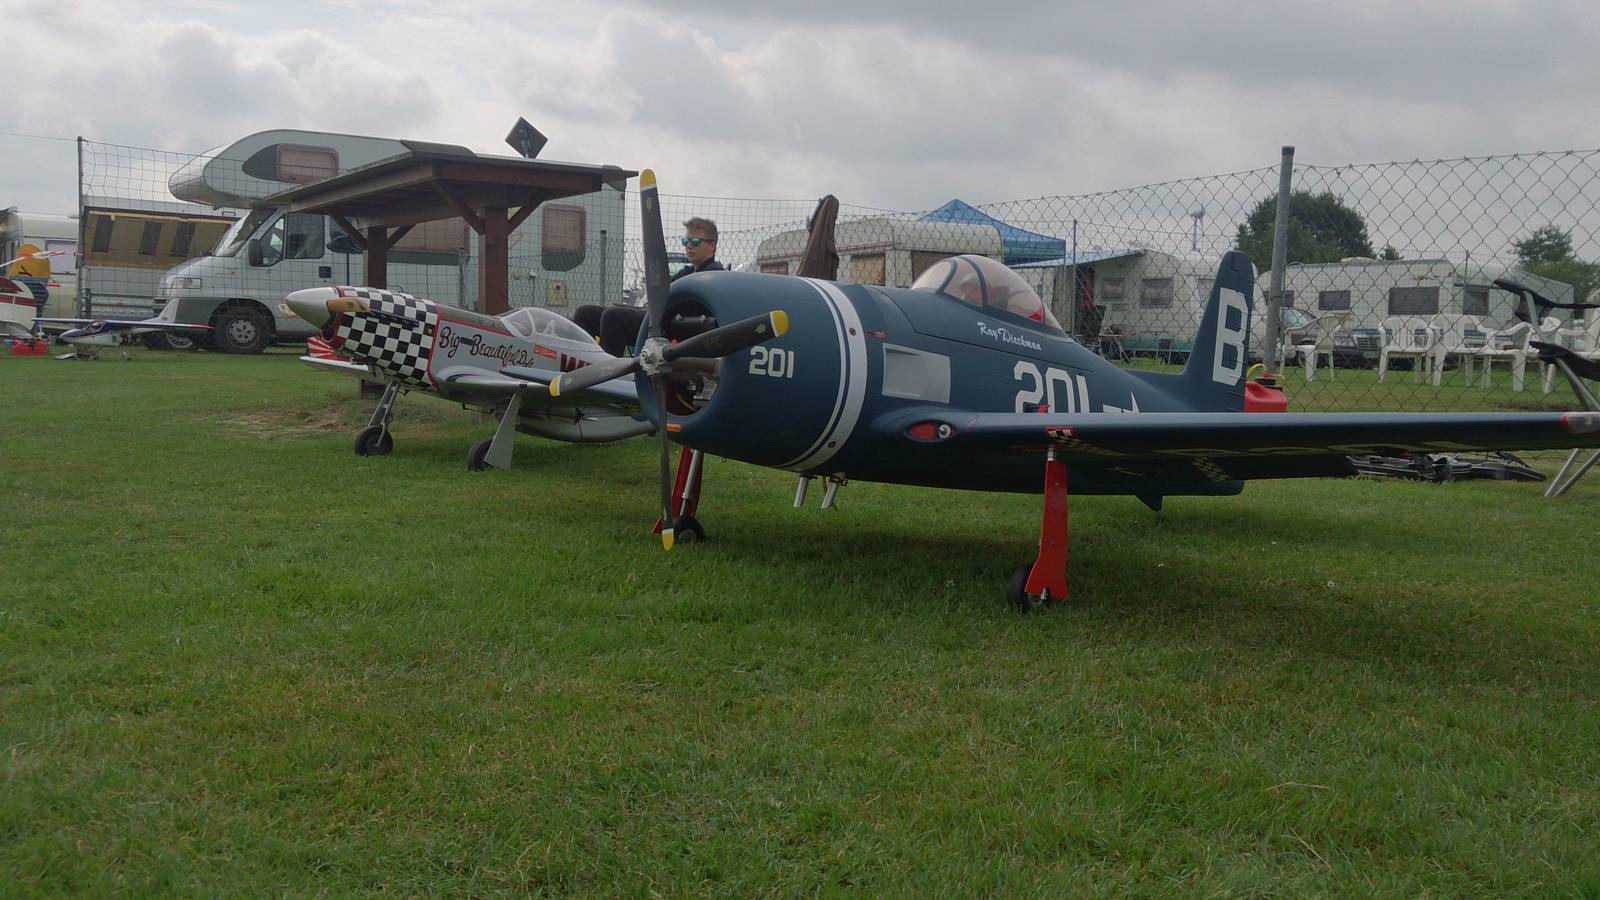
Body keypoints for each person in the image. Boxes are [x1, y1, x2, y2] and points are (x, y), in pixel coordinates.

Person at [576, 217, 726, 357]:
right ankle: (582, 364)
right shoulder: (687, 272)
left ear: (711, 245)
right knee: (586, 313)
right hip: (658, 317)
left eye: (695, 241)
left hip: (672, 325)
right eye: (685, 241)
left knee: (613, 316)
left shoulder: (713, 276)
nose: (689, 246)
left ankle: (607, 371)